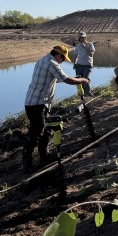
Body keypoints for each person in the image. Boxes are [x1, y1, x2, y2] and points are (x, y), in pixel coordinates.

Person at [22, 45, 90, 173]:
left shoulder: (43, 60)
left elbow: (57, 78)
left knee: (46, 130)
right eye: (63, 59)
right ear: (59, 55)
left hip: (33, 102)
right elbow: (66, 80)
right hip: (37, 104)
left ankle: (45, 156)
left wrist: (75, 79)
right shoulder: (52, 63)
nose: (62, 62)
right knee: (36, 134)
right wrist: (82, 80)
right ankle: (26, 164)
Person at [73, 32, 95, 97]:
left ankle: (88, 92)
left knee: (85, 78)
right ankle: (82, 94)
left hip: (87, 65)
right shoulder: (77, 46)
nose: (82, 39)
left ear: (85, 37)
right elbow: (76, 55)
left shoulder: (90, 44)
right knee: (79, 80)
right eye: (81, 37)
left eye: (83, 37)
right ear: (79, 38)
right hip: (79, 65)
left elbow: (91, 54)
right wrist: (74, 64)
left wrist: (84, 47)